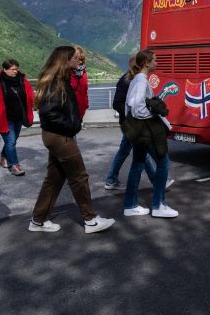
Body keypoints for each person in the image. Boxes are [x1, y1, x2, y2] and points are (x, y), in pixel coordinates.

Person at [28, 46, 115, 235]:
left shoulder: (59, 79)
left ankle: (38, 220)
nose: (79, 61)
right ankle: (90, 220)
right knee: (79, 177)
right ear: (65, 60)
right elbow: (49, 114)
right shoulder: (54, 82)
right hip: (60, 136)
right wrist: (73, 126)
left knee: (54, 179)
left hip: (55, 135)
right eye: (75, 58)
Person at [122, 49, 176, 218]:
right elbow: (138, 109)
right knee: (163, 162)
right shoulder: (141, 81)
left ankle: (130, 205)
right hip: (147, 131)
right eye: (155, 60)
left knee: (137, 165)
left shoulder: (136, 80)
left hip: (139, 133)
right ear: (146, 63)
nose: (157, 63)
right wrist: (152, 114)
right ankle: (158, 205)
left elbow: (129, 107)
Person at [104, 53, 166, 191]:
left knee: (126, 152)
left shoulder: (133, 79)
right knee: (143, 154)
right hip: (131, 123)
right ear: (135, 64)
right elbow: (118, 103)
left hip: (131, 123)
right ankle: (157, 182)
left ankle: (111, 179)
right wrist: (130, 115)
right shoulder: (128, 80)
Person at [0, 59, 35, 176]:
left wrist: (34, 104)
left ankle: (3, 157)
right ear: (5, 69)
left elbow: (30, 94)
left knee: (12, 141)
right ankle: (14, 165)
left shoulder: (22, 80)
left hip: (18, 116)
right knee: (11, 141)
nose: (15, 71)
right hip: (4, 118)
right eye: (12, 69)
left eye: (17, 69)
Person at [70, 45, 89, 120]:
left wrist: (85, 104)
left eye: (82, 59)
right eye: (77, 58)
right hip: (70, 111)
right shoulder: (66, 73)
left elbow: (84, 92)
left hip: (80, 111)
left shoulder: (83, 73)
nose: (80, 61)